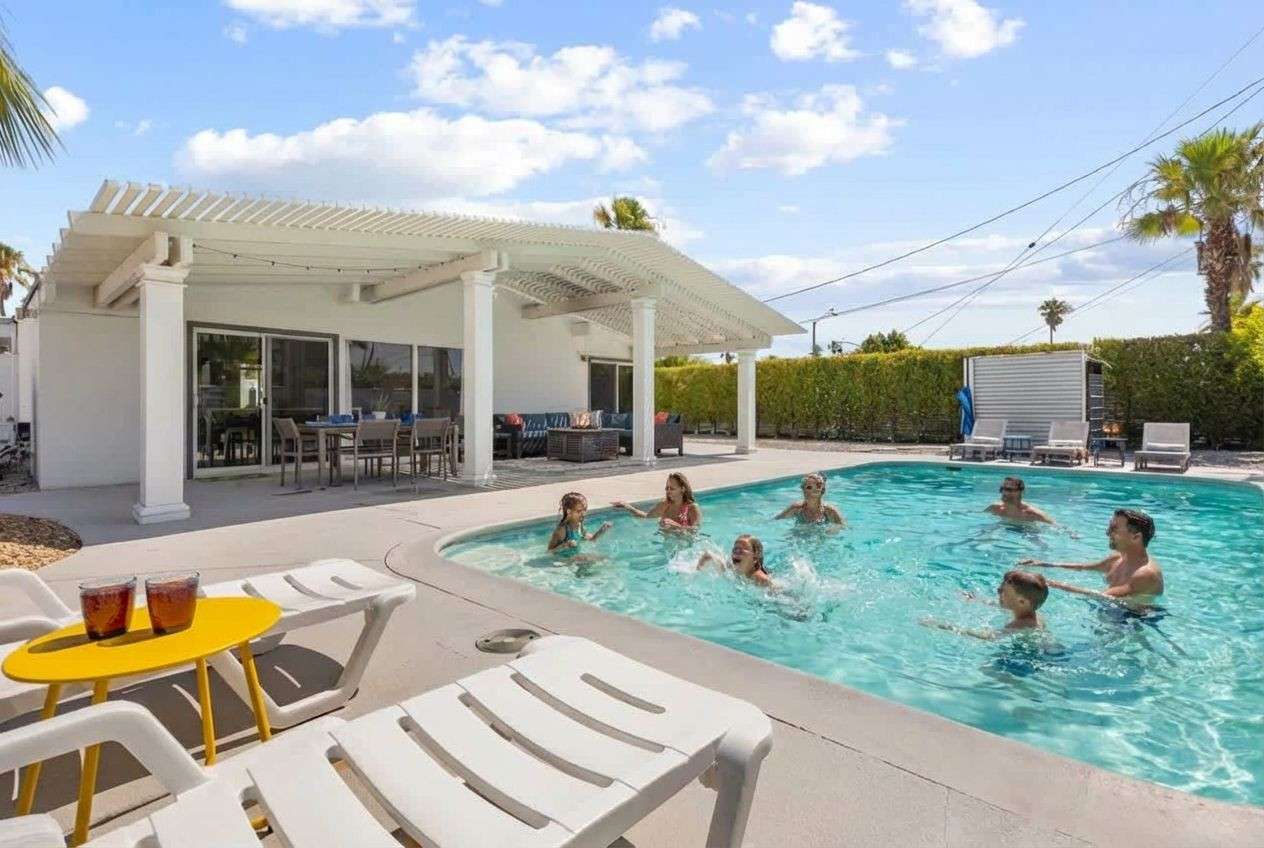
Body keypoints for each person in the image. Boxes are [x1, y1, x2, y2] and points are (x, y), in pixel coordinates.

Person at [1019, 508, 1164, 607]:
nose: (1108, 533)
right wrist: (1042, 564)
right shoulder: (1117, 559)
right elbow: (1083, 567)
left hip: (1135, 621)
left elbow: (1102, 596)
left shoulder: (1145, 574)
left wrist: (1052, 583)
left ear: (1136, 537)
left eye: (1114, 529)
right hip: (1115, 609)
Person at [922, 570, 1048, 640]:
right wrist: (976, 600)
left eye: (1001, 591)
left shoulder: (1023, 624)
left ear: (1022, 601)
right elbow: (1000, 604)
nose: (998, 592)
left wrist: (942, 625)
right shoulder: (1030, 609)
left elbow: (988, 637)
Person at [611, 472, 701, 532]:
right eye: (667, 488)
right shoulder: (665, 504)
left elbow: (695, 530)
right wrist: (628, 507)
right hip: (667, 547)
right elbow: (647, 516)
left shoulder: (692, 508)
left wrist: (676, 526)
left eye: (672, 488)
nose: (668, 491)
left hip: (686, 551)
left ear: (682, 489)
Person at [697, 534, 774, 587]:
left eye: (741, 551)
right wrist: (697, 572)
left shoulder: (761, 580)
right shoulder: (731, 569)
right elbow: (708, 555)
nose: (736, 553)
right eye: (734, 550)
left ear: (755, 557)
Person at [547, 492, 612, 553]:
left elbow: (591, 540)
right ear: (569, 511)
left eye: (584, 510)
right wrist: (565, 545)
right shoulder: (562, 530)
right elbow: (549, 551)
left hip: (574, 558)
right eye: (579, 511)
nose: (583, 514)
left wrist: (601, 531)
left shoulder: (579, 525)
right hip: (564, 560)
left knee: (603, 559)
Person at [775, 472, 845, 525]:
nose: (814, 490)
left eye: (817, 487)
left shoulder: (830, 511)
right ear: (803, 490)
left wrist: (832, 530)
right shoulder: (796, 508)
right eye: (809, 487)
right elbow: (776, 520)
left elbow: (842, 527)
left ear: (823, 490)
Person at [985, 477, 1053, 524]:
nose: (1004, 492)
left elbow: (1057, 528)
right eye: (1002, 489)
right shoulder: (995, 508)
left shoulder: (1032, 514)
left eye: (1009, 490)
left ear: (1022, 492)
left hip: (1027, 532)